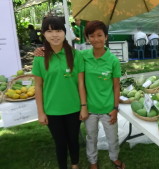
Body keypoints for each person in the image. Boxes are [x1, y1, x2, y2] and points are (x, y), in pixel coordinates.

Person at [31, 16, 88, 169]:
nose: (54, 35)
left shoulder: (76, 55)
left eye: (58, 30)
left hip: (74, 107)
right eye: (49, 31)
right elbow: (38, 87)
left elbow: (81, 83)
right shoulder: (39, 58)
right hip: (52, 110)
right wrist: (41, 112)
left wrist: (83, 106)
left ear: (64, 32)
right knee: (60, 142)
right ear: (43, 34)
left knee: (73, 140)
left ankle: (75, 164)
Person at [82, 20, 125, 169]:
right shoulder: (83, 56)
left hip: (108, 108)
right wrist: (43, 50)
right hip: (90, 108)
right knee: (91, 137)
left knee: (112, 138)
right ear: (87, 38)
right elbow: (64, 53)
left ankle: (114, 157)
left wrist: (115, 108)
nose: (96, 39)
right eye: (91, 36)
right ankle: (93, 161)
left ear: (106, 37)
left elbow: (116, 86)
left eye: (99, 35)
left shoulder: (113, 60)